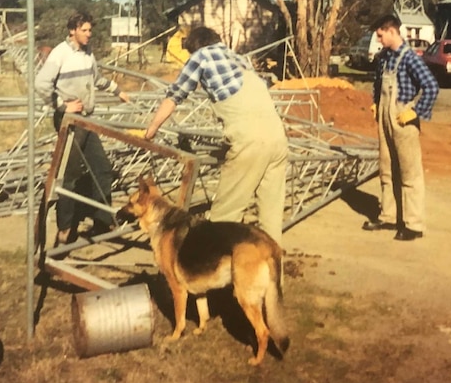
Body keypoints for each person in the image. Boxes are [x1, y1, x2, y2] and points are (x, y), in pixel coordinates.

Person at [144, 26, 288, 245]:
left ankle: (215, 273)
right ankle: (273, 272)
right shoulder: (240, 59)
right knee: (271, 217)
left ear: (195, 46)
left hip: (250, 143)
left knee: (225, 216)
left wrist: (151, 129)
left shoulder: (201, 56)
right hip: (278, 140)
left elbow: (175, 95)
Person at [35, 12, 129, 243]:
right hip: (70, 122)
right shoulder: (60, 54)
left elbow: (96, 78)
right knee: (70, 176)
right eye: (85, 30)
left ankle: (102, 221)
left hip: (87, 120)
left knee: (103, 168)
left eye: (90, 30)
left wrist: (118, 90)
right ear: (72, 31)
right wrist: (61, 106)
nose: (89, 34)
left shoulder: (87, 53)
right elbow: (40, 84)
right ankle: (65, 229)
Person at [362, 14, 439, 241]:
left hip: (403, 120)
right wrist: (376, 103)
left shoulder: (410, 58)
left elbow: (431, 86)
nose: (378, 39)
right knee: (387, 169)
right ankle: (389, 216)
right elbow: (378, 83)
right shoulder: (385, 57)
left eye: (380, 35)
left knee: (409, 173)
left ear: (392, 31)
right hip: (385, 119)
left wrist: (415, 111)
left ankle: (413, 224)